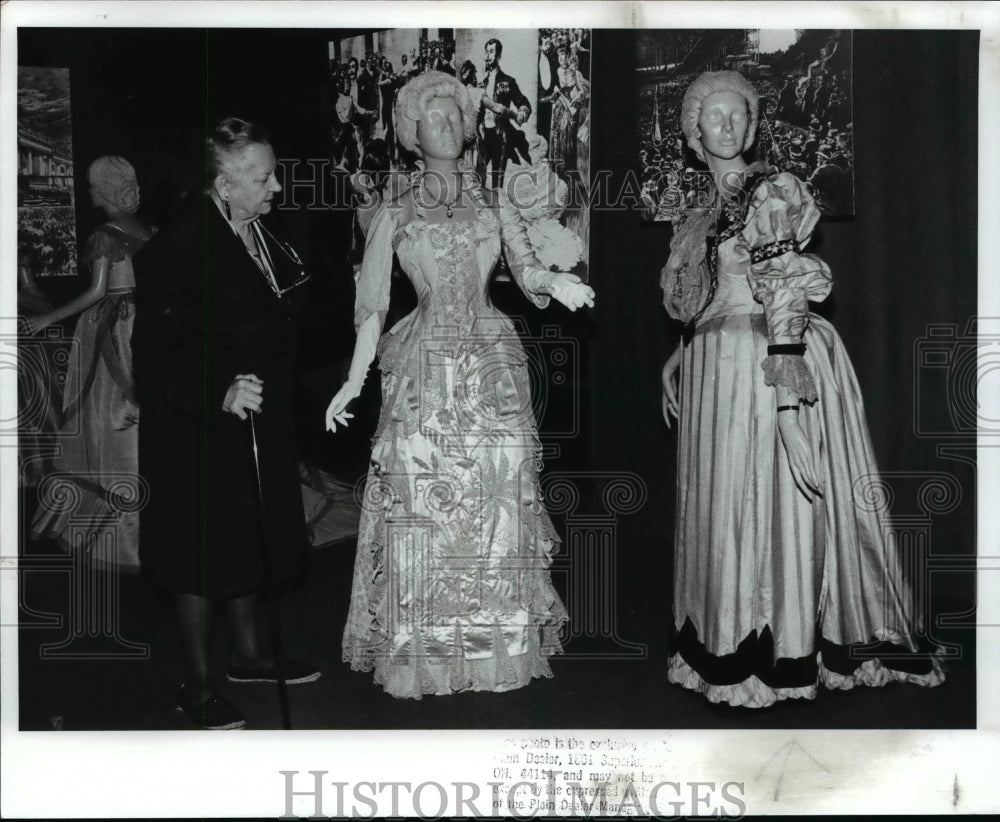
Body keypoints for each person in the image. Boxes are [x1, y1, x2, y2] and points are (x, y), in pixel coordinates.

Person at [659, 71, 944, 708]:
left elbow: (784, 288)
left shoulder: (772, 192)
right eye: (714, 115)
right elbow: (706, 297)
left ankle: (780, 646)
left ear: (752, 126)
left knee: (770, 500)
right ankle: (724, 637)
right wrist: (679, 356)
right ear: (693, 130)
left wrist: (789, 404)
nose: (727, 125)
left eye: (739, 115)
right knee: (725, 503)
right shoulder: (700, 209)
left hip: (765, 365)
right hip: (713, 374)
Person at [326, 71, 595, 699]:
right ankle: (425, 648)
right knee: (424, 502)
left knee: (498, 499)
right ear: (411, 133)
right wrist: (353, 379)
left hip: (490, 362)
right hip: (423, 365)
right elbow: (371, 307)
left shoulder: (496, 198)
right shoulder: (394, 208)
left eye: (455, 115)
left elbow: (527, 271)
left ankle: (494, 643)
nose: (447, 124)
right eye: (433, 117)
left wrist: (559, 284)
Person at [132, 117, 319, 730]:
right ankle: (197, 684)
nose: (276, 188)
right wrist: (218, 389)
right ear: (223, 182)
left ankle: (248, 655)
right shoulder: (177, 247)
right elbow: (154, 357)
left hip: (256, 419)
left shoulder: (258, 232)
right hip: (197, 426)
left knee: (248, 535)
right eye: (263, 178)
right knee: (200, 551)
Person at [29, 156, 155, 571]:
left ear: (103, 189)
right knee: (133, 414)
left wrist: (49, 316)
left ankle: (119, 523)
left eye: (90, 186)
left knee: (105, 416)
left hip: (112, 331)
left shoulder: (105, 234)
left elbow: (98, 292)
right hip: (142, 323)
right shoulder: (146, 230)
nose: (87, 193)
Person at [477, 38, 532, 188]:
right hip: (483, 136)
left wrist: (521, 113)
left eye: (491, 52)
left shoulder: (508, 81)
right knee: (478, 176)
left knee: (497, 179)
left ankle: (498, 208)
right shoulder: (481, 82)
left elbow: (524, 102)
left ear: (499, 56)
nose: (487, 56)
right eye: (486, 52)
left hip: (500, 136)